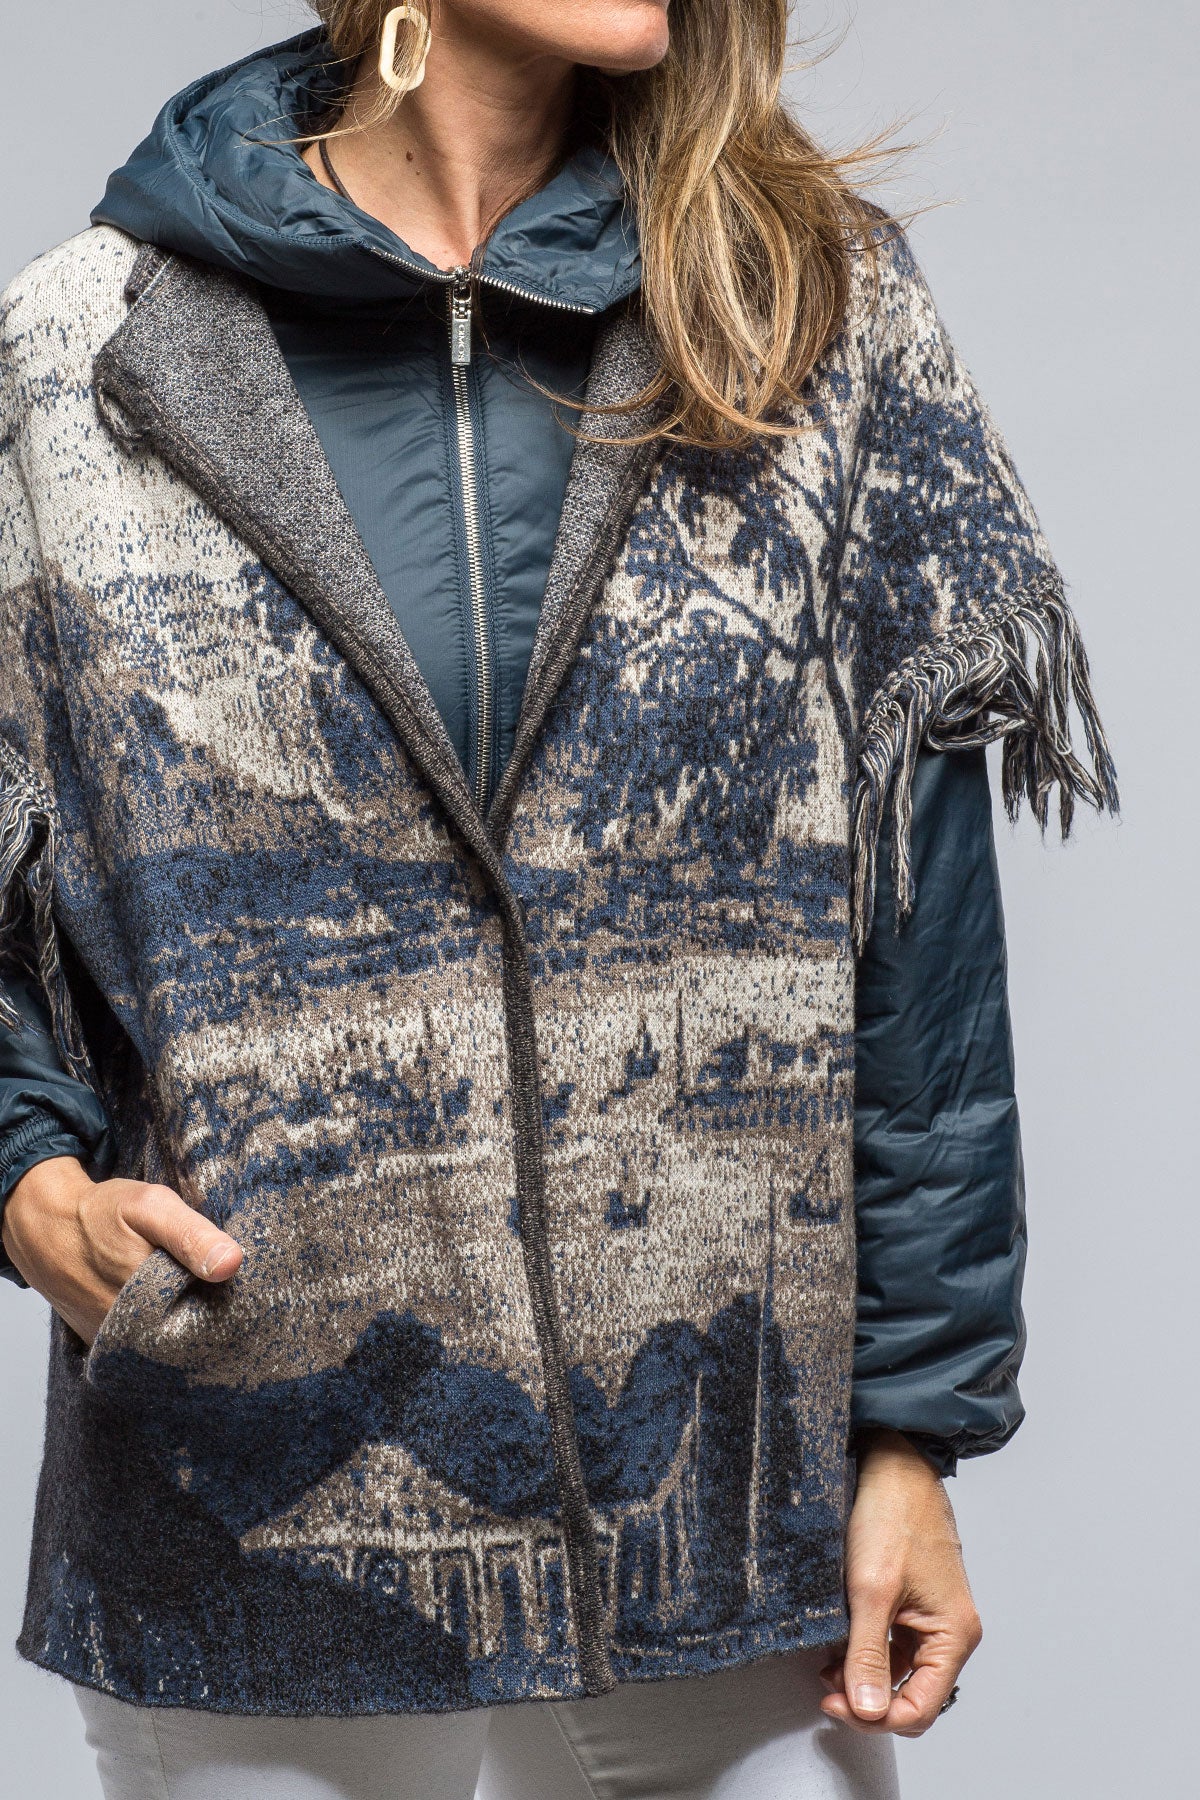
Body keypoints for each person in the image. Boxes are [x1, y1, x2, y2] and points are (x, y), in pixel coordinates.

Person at [0, 4, 1118, 1797]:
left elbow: (920, 937)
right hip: (257, 1523)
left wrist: (913, 1432)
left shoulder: (808, 308)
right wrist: (26, 1175)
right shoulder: (79, 353)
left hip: (729, 1541)